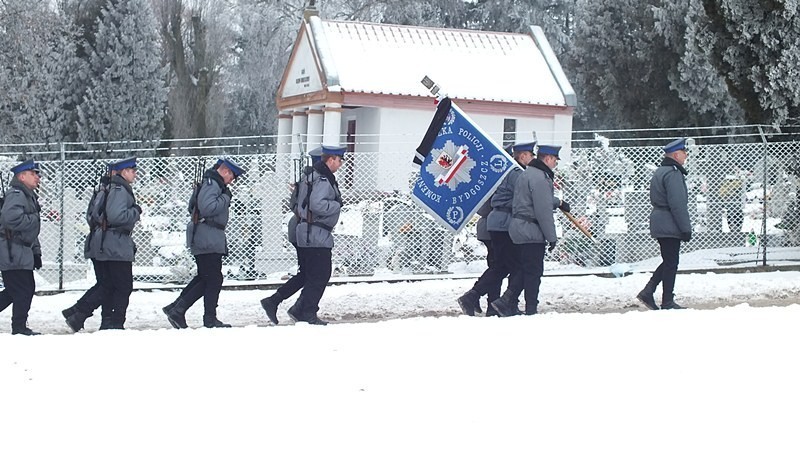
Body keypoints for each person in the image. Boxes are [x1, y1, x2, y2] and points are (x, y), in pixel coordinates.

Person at [455, 142, 537, 316]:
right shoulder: (515, 174)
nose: (533, 159)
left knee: (501, 265)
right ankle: (484, 299)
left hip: (494, 225)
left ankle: (495, 304)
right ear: (522, 156)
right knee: (505, 266)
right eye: (531, 155)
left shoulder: (500, 174)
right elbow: (528, 196)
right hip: (503, 225)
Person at [163, 158, 245, 329]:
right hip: (207, 235)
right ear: (225, 171)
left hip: (208, 235)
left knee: (205, 278)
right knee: (213, 279)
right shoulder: (213, 184)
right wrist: (225, 198)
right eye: (232, 176)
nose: (232, 181)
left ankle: (177, 308)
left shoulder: (211, 183)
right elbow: (207, 207)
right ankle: (203, 316)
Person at [492, 144, 562, 316]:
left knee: (525, 268)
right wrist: (551, 237)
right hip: (530, 229)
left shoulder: (526, 173)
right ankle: (530, 308)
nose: (555, 164)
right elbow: (543, 210)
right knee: (533, 271)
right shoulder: (540, 178)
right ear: (547, 159)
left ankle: (506, 301)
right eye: (554, 160)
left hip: (519, 227)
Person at [259, 147, 323, 325]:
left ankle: (278, 302)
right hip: (303, 229)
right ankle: (285, 304)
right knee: (312, 274)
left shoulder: (306, 180)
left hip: (298, 228)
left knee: (306, 274)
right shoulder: (313, 181)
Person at [285, 145, 345, 325]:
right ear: (331, 159)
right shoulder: (322, 180)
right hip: (316, 233)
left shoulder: (309, 179)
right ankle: (306, 311)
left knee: (313, 275)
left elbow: (297, 204)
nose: (341, 164)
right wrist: (337, 205)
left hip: (311, 232)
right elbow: (317, 204)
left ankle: (299, 309)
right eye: (339, 160)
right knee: (319, 275)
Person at [636, 138, 692, 310]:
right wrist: (685, 228)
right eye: (683, 152)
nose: (686, 155)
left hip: (661, 220)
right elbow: (677, 203)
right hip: (670, 221)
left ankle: (650, 290)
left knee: (669, 260)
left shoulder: (661, 171)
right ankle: (666, 299)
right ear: (676, 155)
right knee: (671, 261)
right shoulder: (673, 173)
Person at [62, 163, 115, 332]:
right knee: (108, 284)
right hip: (102, 242)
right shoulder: (108, 191)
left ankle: (78, 311)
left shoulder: (105, 190)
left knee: (106, 283)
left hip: (99, 242)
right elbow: (99, 216)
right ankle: (79, 312)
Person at [90, 157, 141, 329]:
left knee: (110, 285)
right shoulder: (119, 189)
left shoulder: (111, 188)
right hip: (115, 243)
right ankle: (114, 322)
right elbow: (116, 216)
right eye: (132, 171)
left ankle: (105, 321)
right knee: (121, 285)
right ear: (123, 172)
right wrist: (135, 212)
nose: (135, 174)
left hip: (110, 242)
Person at [0, 159, 43, 335]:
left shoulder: (26, 194)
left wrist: (36, 251)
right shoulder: (17, 194)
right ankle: (19, 327)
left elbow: (31, 231)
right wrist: (34, 218)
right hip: (12, 250)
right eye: (33, 174)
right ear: (22, 176)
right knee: (23, 289)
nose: (37, 178)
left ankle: (19, 325)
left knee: (15, 289)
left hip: (20, 251)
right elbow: (11, 219)